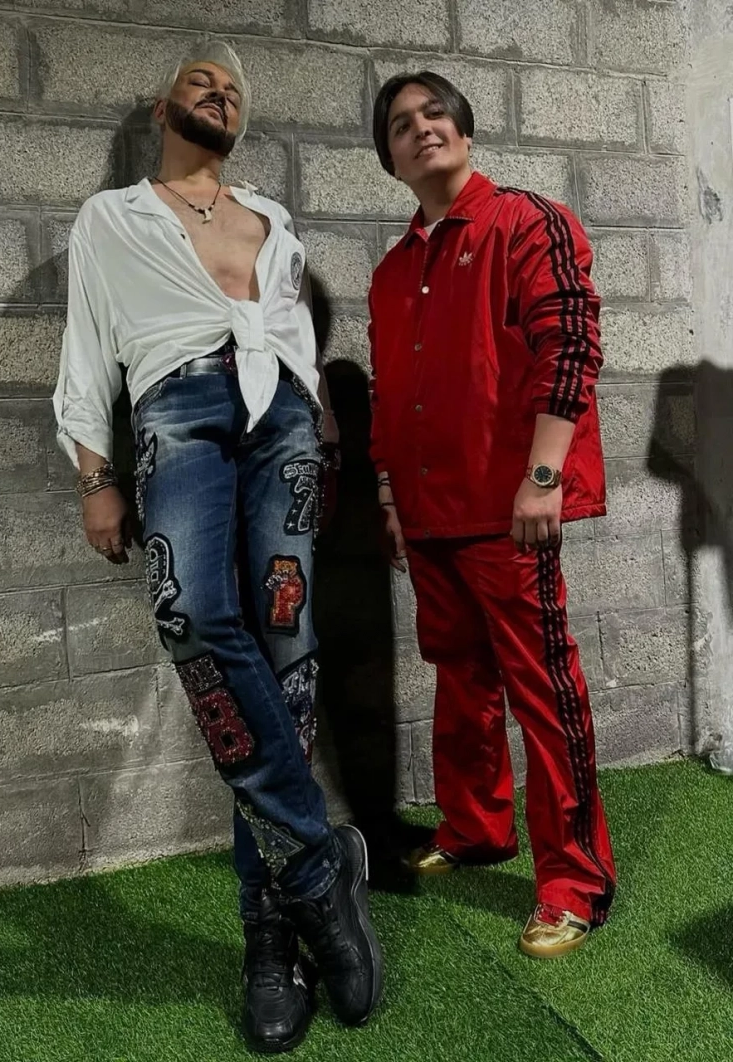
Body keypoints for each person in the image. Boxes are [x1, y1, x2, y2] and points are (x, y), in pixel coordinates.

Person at [52, 42, 383, 1052]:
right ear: (164, 108)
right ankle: (319, 863)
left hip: (284, 428)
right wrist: (96, 475)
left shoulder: (272, 220)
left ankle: (270, 939)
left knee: (287, 665)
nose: (220, 93)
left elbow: (293, 340)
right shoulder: (114, 217)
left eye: (234, 90)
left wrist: (320, 422)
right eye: (202, 80)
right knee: (191, 613)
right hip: (179, 410)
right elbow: (86, 349)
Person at [367, 71, 617, 958]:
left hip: (509, 509)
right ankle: (476, 828)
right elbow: (388, 394)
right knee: (461, 677)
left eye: (435, 113)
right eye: (401, 124)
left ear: (465, 131)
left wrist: (543, 475)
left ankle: (575, 881)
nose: (421, 128)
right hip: (428, 513)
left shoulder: (526, 220)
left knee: (544, 689)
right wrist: (391, 498)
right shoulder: (392, 271)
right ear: (390, 158)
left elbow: (571, 344)